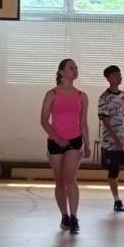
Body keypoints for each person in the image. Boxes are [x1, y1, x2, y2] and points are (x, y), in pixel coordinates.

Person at [41, 59, 89, 234]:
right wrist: (57, 138)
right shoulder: (52, 94)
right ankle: (64, 215)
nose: (75, 70)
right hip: (55, 142)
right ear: (61, 72)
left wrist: (87, 143)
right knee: (60, 180)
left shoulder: (81, 96)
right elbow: (44, 120)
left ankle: (74, 217)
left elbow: (83, 123)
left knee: (70, 178)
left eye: (76, 67)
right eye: (71, 67)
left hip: (74, 141)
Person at [98, 65, 124, 213]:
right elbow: (105, 121)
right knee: (113, 172)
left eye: (120, 74)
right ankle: (117, 200)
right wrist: (116, 139)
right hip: (111, 143)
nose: (119, 77)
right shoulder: (104, 98)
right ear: (108, 78)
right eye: (115, 75)